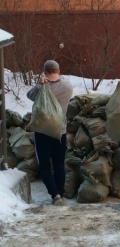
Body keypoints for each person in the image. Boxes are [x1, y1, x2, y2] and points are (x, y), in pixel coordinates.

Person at [27, 60, 73, 206]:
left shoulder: (42, 87)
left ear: (45, 71)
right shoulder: (67, 87)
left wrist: (40, 84)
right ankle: (60, 193)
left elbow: (30, 95)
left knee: (45, 165)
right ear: (58, 71)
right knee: (59, 164)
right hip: (60, 131)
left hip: (42, 132)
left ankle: (55, 195)